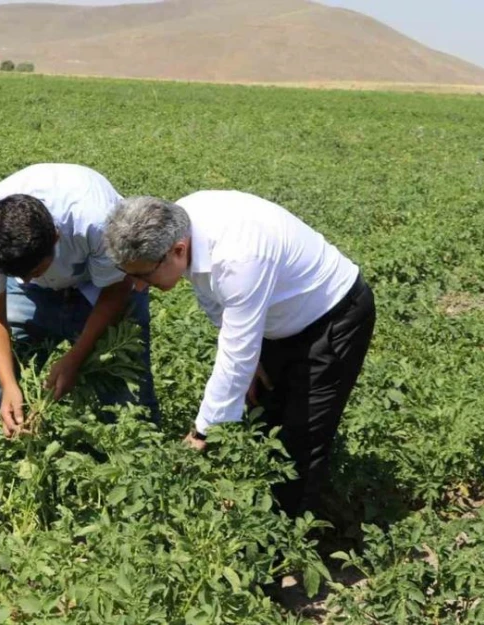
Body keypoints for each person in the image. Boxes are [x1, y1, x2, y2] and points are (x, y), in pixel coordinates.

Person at [104, 191, 375, 516]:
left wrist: (201, 432)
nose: (137, 287)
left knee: (301, 440)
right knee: (264, 420)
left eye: (142, 276)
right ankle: (260, 516)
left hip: (331, 318)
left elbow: (236, 351)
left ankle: (288, 552)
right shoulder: (180, 225)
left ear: (177, 250)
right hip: (275, 317)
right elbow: (215, 300)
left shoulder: (238, 257)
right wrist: (250, 358)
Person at [0, 164, 161, 452]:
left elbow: (117, 289)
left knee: (126, 396)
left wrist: (75, 357)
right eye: (18, 275)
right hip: (32, 294)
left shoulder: (97, 221)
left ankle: (143, 473)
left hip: (102, 285)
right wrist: (9, 385)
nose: (27, 280)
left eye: (35, 271)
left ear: (56, 237)